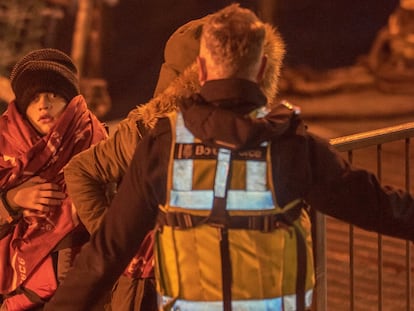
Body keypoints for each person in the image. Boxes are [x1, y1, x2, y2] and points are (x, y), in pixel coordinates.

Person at [45, 4, 414, 311]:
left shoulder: (163, 144)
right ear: (264, 70)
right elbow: (381, 208)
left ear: (202, 72)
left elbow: (103, 256)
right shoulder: (293, 146)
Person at [0, 48, 107, 310]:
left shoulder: (98, 144)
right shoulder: (5, 147)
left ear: (70, 100)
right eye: (34, 98)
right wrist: (10, 200)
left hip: (83, 289)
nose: (43, 104)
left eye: (54, 95)